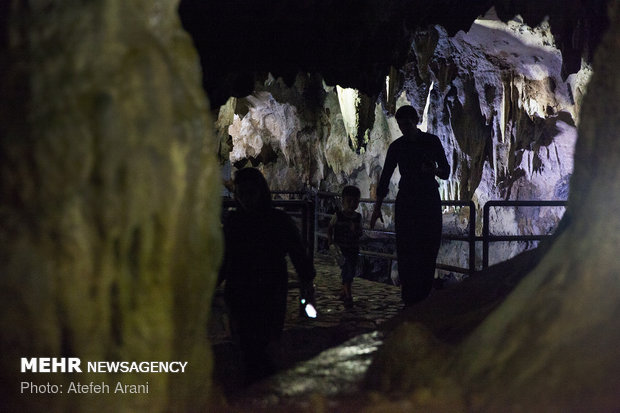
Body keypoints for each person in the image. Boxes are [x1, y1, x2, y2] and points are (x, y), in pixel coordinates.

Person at [219, 167, 316, 385]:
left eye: (250, 193)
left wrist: (307, 281)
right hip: (241, 292)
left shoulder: (276, 221)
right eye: (241, 194)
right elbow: (224, 258)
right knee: (248, 348)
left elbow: (297, 252)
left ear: (261, 192)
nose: (246, 200)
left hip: (268, 293)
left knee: (262, 346)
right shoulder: (235, 222)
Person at [370, 105, 450, 307]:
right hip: (407, 201)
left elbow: (446, 171)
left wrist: (434, 170)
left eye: (406, 124)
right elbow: (385, 178)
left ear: (415, 121)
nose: (403, 129)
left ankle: (423, 295)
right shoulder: (397, 146)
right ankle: (409, 297)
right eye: (400, 125)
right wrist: (377, 207)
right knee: (406, 249)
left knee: (428, 247)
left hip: (428, 199)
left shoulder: (431, 142)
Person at [327, 185, 363, 307]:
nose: (352, 204)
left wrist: (355, 230)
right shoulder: (338, 215)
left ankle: (344, 291)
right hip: (342, 249)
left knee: (350, 270)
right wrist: (330, 241)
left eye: (355, 201)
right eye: (349, 201)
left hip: (353, 248)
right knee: (347, 269)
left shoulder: (358, 218)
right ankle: (348, 295)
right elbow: (330, 227)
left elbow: (361, 233)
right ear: (343, 201)